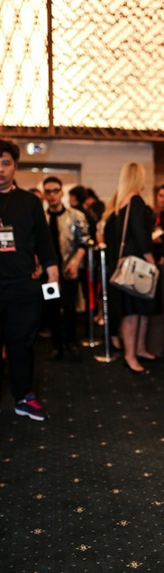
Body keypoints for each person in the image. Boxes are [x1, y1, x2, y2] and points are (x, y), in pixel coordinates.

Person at [0, 139, 58, 420]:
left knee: (21, 346)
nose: (0, 169)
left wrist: (52, 277)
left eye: (5, 163)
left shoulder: (30, 202)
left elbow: (45, 244)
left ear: (15, 166)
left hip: (23, 287)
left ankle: (23, 396)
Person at [103, 162, 157, 374]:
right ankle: (131, 356)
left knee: (136, 310)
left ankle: (138, 350)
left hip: (124, 264)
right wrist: (151, 260)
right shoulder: (135, 201)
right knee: (133, 313)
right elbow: (140, 235)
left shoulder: (119, 205)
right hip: (137, 265)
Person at [43, 176, 90, 361]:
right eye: (48, 192)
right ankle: (56, 345)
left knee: (70, 308)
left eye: (55, 191)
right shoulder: (41, 218)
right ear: (44, 195)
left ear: (62, 192)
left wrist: (75, 263)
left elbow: (84, 242)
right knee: (52, 307)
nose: (52, 195)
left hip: (70, 270)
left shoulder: (76, 216)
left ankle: (71, 343)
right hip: (48, 273)